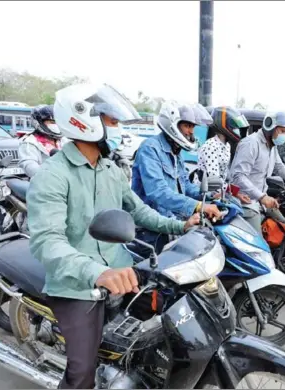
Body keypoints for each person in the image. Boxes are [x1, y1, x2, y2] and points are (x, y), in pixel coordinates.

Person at [27, 84, 200, 389]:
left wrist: (182, 226)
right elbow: (47, 242)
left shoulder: (110, 169)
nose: (119, 130)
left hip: (120, 268)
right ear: (85, 122)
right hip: (76, 286)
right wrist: (99, 273)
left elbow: (138, 211)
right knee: (82, 370)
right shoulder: (52, 175)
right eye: (114, 122)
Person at [131, 101, 221, 252]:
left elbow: (186, 185)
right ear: (172, 124)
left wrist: (211, 195)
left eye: (192, 127)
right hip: (151, 230)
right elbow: (158, 192)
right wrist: (198, 206)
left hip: (175, 224)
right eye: (187, 126)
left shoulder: (176, 152)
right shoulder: (150, 149)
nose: (191, 132)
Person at [228, 111, 285, 233]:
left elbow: (280, 169)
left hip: (262, 201)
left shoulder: (271, 146)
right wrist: (262, 197)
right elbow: (238, 176)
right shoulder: (251, 143)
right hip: (246, 203)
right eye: (283, 131)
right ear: (270, 126)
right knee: (259, 246)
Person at [193, 106, 250, 206]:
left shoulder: (226, 146)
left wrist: (237, 193)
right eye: (234, 126)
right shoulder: (211, 146)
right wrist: (233, 193)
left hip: (219, 194)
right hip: (205, 197)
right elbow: (214, 180)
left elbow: (224, 176)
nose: (237, 130)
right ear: (224, 126)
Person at [18, 104, 63, 178]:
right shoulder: (30, 143)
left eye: (57, 122)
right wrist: (51, 177)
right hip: (43, 183)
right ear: (39, 122)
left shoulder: (63, 140)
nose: (56, 125)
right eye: (52, 122)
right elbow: (29, 166)